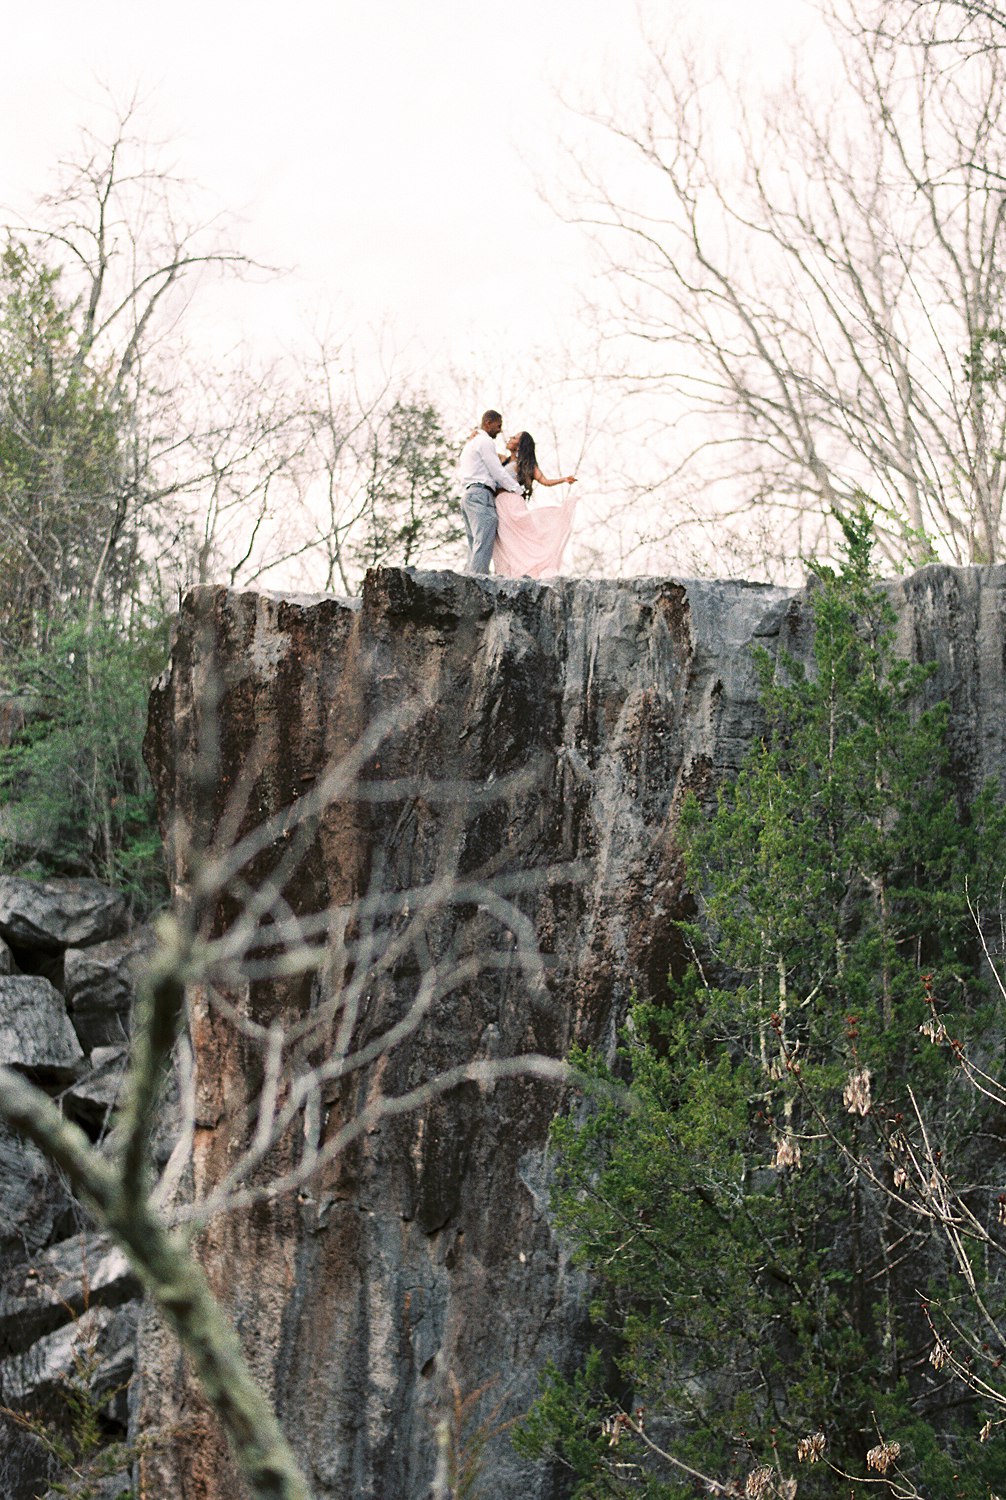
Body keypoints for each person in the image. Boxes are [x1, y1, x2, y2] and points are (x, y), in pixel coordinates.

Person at [492, 431, 578, 579]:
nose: (509, 439)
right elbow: (485, 450)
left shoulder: (526, 465)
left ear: (519, 445)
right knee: (505, 543)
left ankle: (528, 571)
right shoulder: (502, 460)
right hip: (500, 503)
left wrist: (563, 479)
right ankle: (510, 574)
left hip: (512, 503)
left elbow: (545, 481)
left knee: (520, 541)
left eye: (514, 438)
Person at [458, 410, 523, 573]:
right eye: (498, 425)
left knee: (474, 544)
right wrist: (517, 489)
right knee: (483, 541)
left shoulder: (470, 444)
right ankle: (478, 582)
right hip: (480, 494)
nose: (500, 430)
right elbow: (497, 471)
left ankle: (469, 578)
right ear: (488, 422)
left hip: (469, 495)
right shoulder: (484, 442)